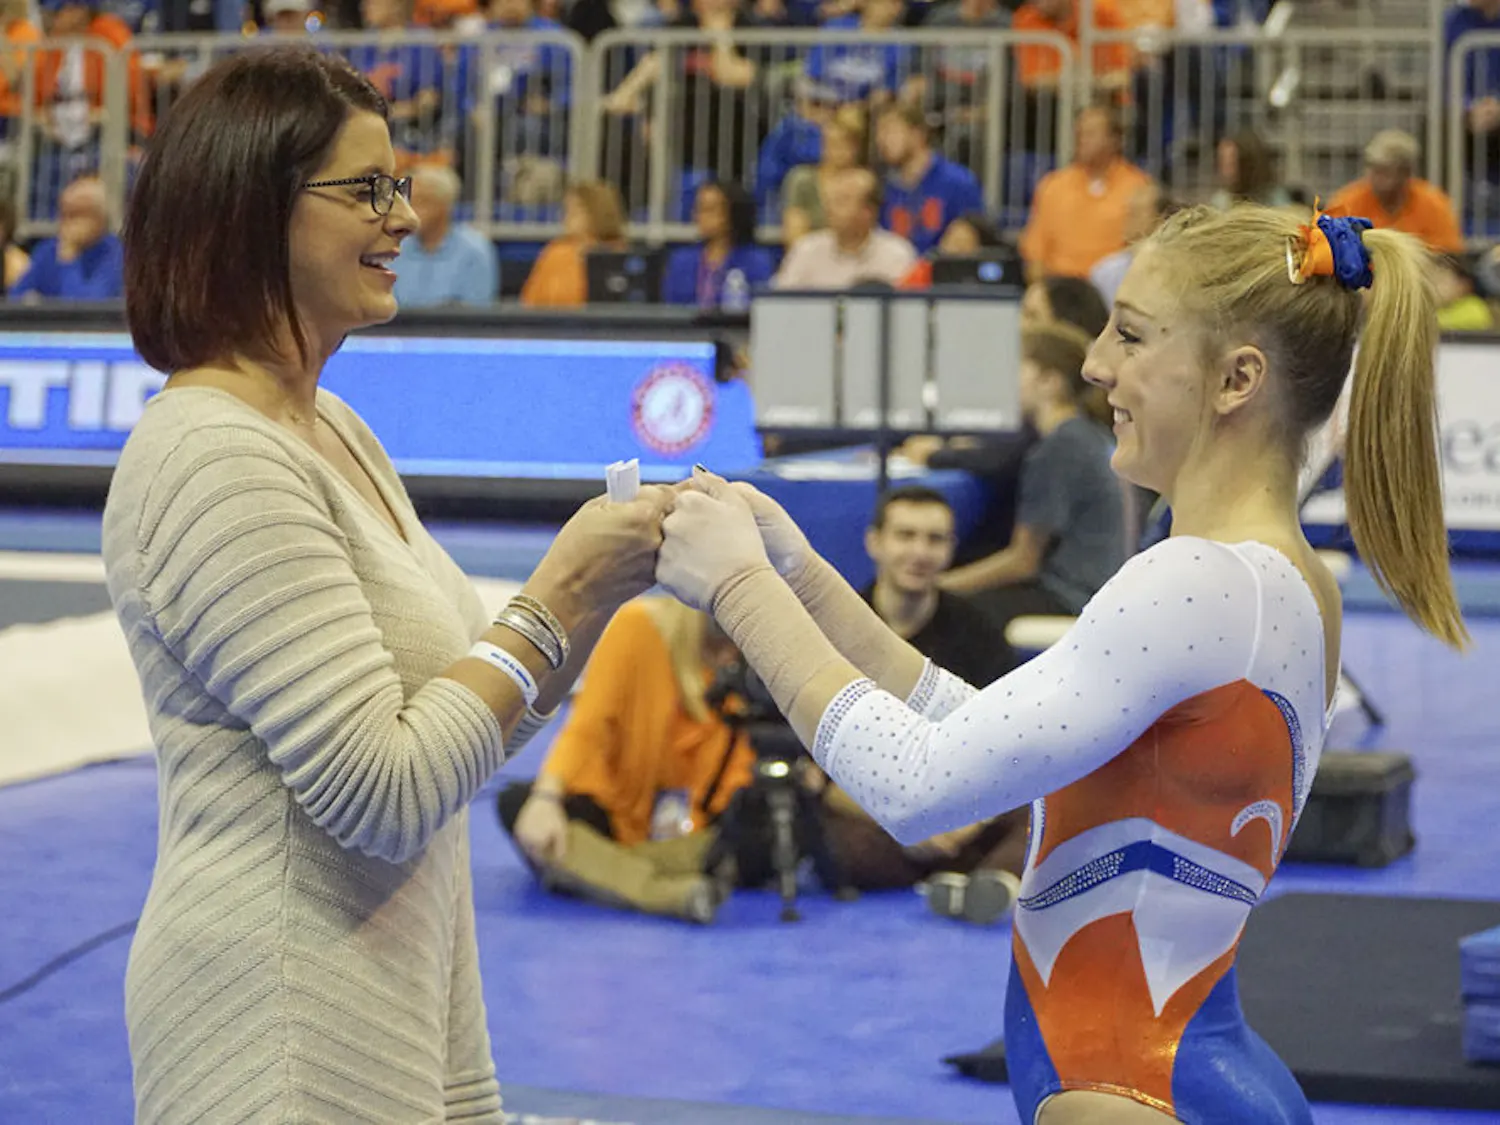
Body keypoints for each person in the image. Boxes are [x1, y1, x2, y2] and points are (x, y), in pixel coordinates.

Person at [654, 201, 1466, 1124]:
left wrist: (737, 589)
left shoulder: (1195, 582)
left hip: (1126, 1083)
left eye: (1130, 335)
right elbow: (988, 737)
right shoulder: (1276, 580)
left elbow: (920, 785)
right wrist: (799, 572)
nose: (1094, 365)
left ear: (1238, 378)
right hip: (1186, 1063)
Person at [103, 46, 671, 1124]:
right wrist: (559, 590)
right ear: (250, 210)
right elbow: (385, 794)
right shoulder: (214, 459)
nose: (404, 217)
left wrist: (599, 592)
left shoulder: (332, 430)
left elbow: (468, 723)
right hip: (273, 1031)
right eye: (367, 189)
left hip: (393, 1002)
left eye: (398, 184)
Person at [496, 598, 755, 923]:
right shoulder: (638, 626)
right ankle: (661, 891)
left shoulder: (758, 652)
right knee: (518, 804)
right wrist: (546, 797)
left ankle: (597, 869)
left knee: (764, 824)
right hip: (622, 810)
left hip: (706, 820)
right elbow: (588, 725)